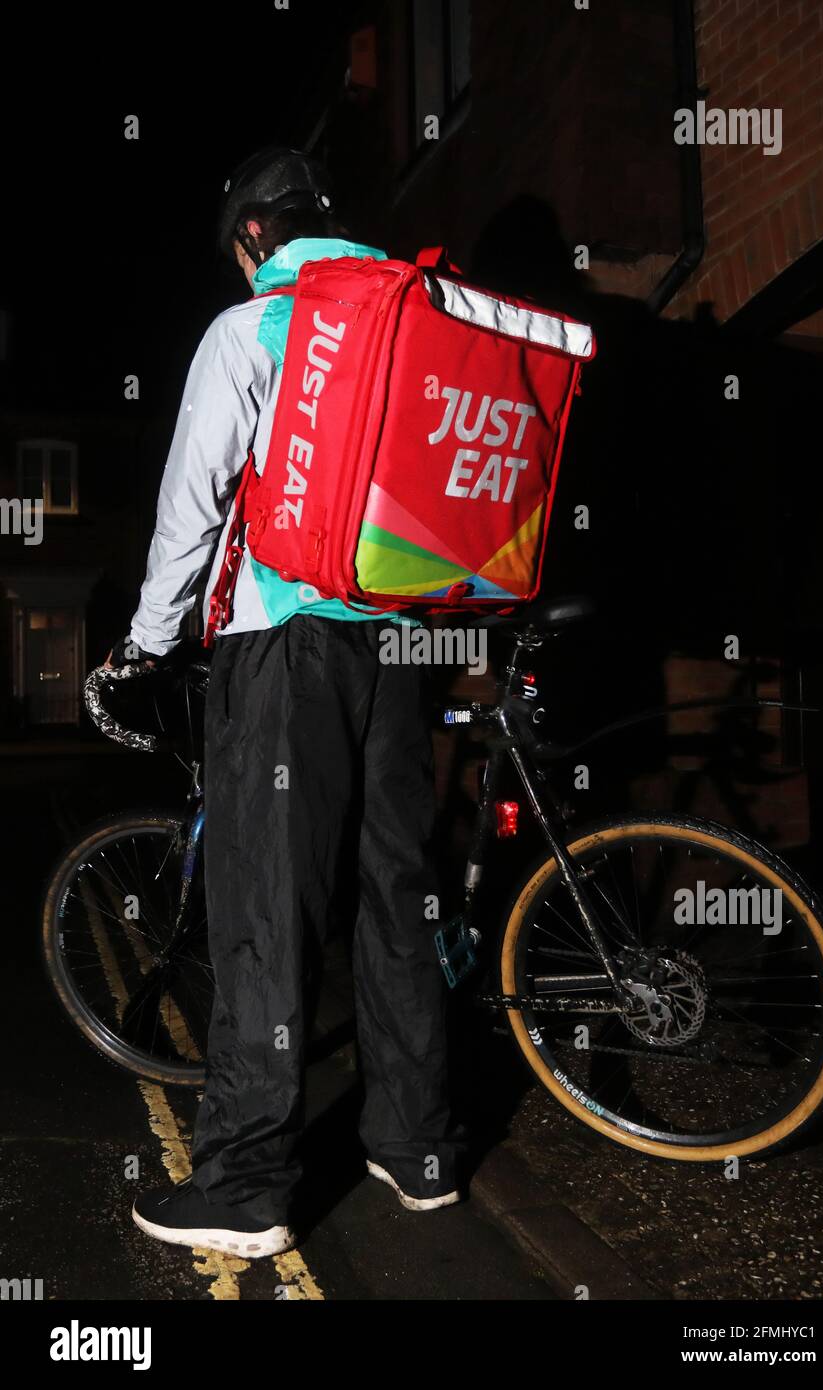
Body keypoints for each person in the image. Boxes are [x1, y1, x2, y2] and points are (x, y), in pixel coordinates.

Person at [108, 147, 462, 1258]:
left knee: (268, 911)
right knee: (394, 899)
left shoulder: (251, 330)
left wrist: (144, 645)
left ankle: (247, 1183)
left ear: (255, 237)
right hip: (399, 647)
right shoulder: (411, 319)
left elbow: (193, 506)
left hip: (283, 646)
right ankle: (420, 1152)